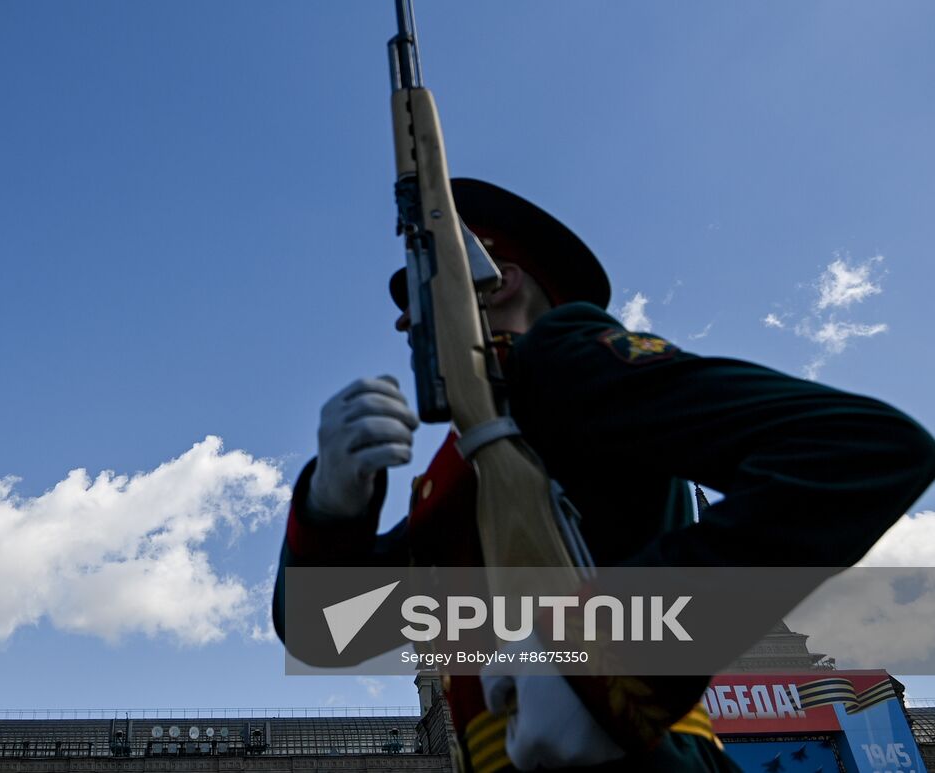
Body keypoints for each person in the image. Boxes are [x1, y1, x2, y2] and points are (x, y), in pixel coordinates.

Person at [273, 178, 935, 772]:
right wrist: (331, 507)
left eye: (419, 295)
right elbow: (327, 629)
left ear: (498, 282)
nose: (401, 321)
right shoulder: (452, 478)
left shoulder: (560, 360)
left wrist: (607, 658)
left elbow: (862, 447)